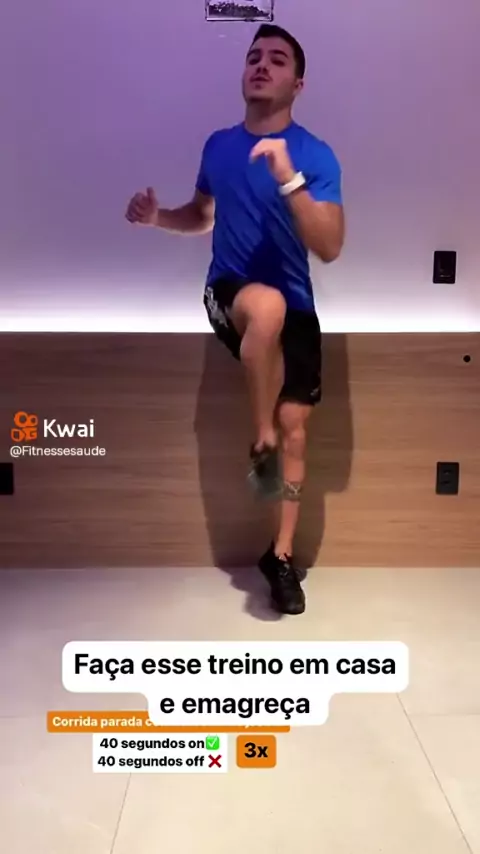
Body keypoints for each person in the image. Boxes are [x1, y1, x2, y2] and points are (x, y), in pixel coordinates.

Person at [126, 24, 345, 616]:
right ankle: (259, 438)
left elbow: (329, 246)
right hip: (229, 291)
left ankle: (280, 557)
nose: (261, 65)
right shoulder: (219, 145)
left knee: (297, 428)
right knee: (265, 308)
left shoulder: (315, 155)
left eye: (277, 59)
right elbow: (202, 216)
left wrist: (288, 177)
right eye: (254, 57)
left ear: (298, 83)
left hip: (297, 305)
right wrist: (157, 218)